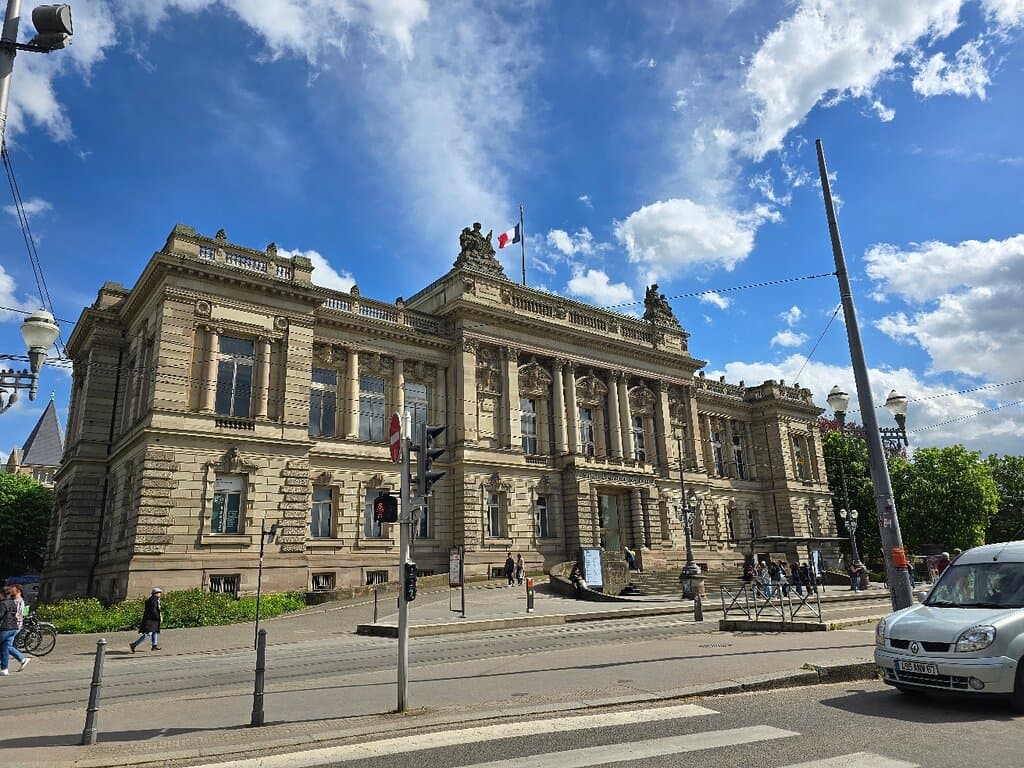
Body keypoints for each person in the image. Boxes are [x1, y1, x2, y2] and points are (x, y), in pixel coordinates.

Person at [0, 587, 29, 674]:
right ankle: (4, 669)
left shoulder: (3, 603)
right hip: (13, 627)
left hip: (5, 628)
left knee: (6, 647)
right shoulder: (13, 602)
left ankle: (21, 659)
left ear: (2, 594)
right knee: (5, 648)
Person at [130, 588, 163, 652]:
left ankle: (154, 646)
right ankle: (134, 644)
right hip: (151, 620)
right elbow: (153, 610)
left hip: (152, 619)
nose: (160, 594)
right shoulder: (153, 600)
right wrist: (158, 617)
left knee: (155, 632)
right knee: (148, 633)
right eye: (159, 593)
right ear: (156, 593)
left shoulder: (153, 599)